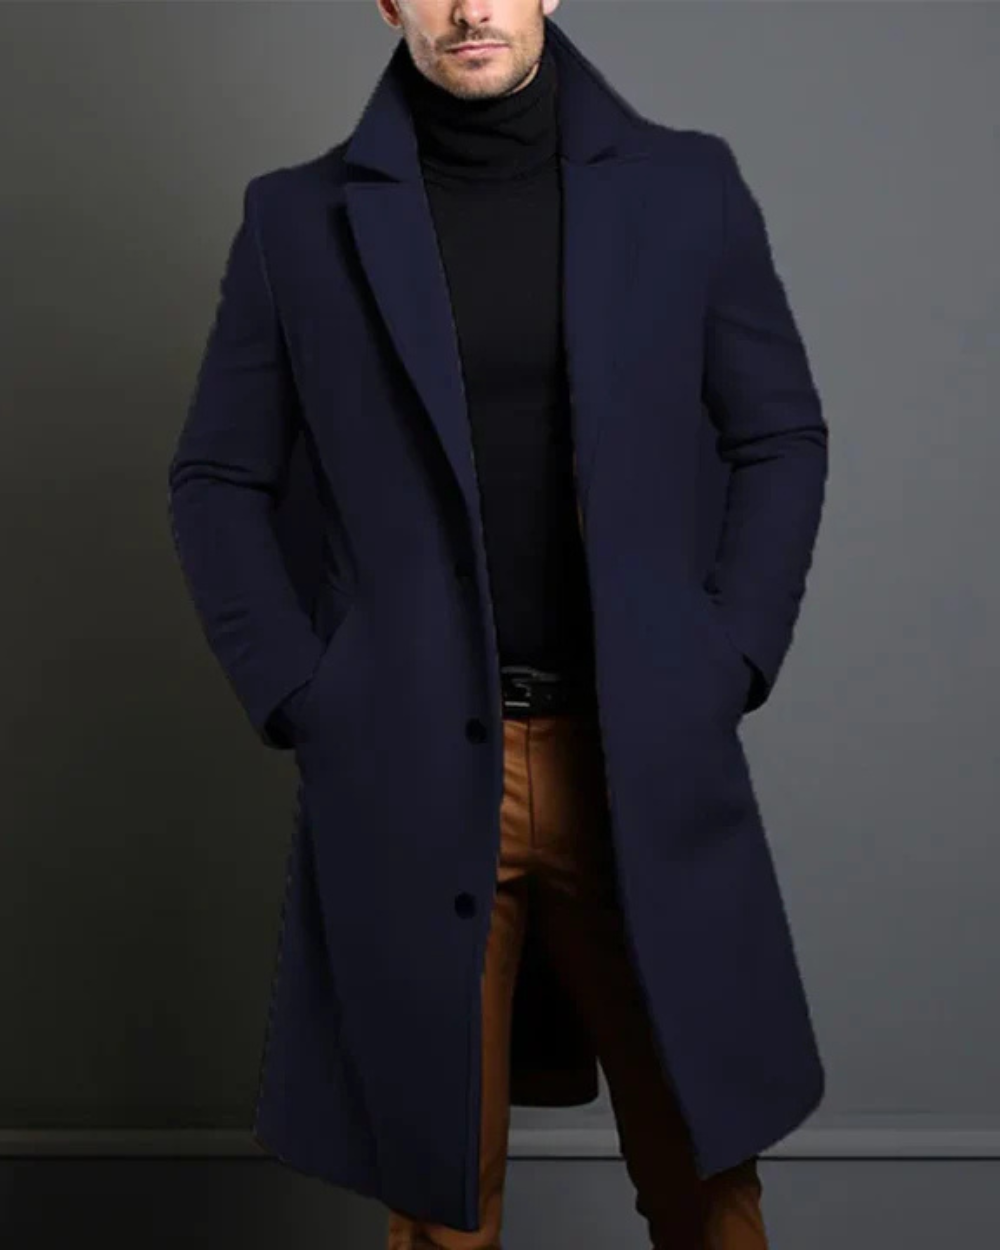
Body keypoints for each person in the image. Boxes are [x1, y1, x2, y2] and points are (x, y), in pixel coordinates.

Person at [168, 3, 828, 1247]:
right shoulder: (297, 219)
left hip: (635, 753)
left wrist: (730, 651)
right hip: (411, 765)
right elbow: (217, 475)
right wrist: (304, 692)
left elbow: (778, 432)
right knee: (437, 1198)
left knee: (707, 1178)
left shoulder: (687, 187)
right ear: (386, 3)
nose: (469, 7)